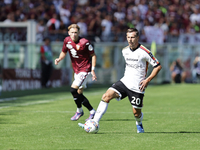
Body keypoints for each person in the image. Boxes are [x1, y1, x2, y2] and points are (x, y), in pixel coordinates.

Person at [78, 28, 162, 133]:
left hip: (137, 86)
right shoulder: (125, 50)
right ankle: (95, 122)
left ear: (137, 38)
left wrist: (147, 80)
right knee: (106, 96)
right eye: (128, 37)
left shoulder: (145, 52)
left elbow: (158, 66)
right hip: (124, 82)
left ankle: (139, 123)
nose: (130, 40)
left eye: (132, 37)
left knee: (136, 113)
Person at [55, 24, 97, 121]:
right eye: (72, 32)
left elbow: (93, 55)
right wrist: (59, 59)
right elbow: (64, 51)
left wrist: (93, 69)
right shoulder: (67, 40)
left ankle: (82, 111)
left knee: (73, 90)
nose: (74, 34)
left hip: (85, 70)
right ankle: (88, 111)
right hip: (76, 70)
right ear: (69, 33)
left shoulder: (85, 42)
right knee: (79, 93)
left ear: (79, 33)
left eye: (76, 32)